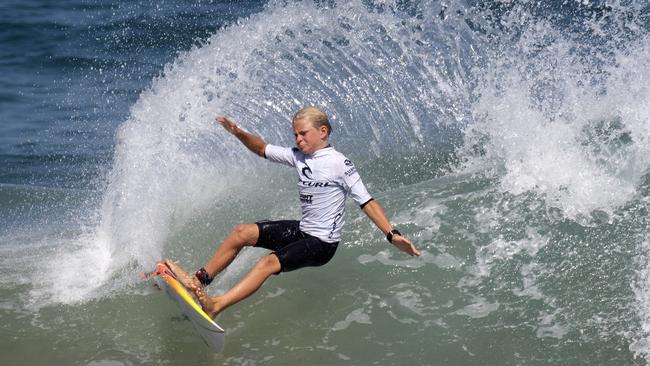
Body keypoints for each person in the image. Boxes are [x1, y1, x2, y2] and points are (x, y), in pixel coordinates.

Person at [167, 106, 420, 318]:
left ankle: (216, 306)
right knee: (242, 232)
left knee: (267, 262)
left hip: (322, 244)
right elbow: (261, 148)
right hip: (303, 230)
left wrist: (391, 234)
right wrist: (236, 132)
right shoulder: (297, 156)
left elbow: (367, 202)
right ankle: (197, 281)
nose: (298, 139)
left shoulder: (340, 164)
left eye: (303, 134)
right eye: (295, 135)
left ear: (323, 132)